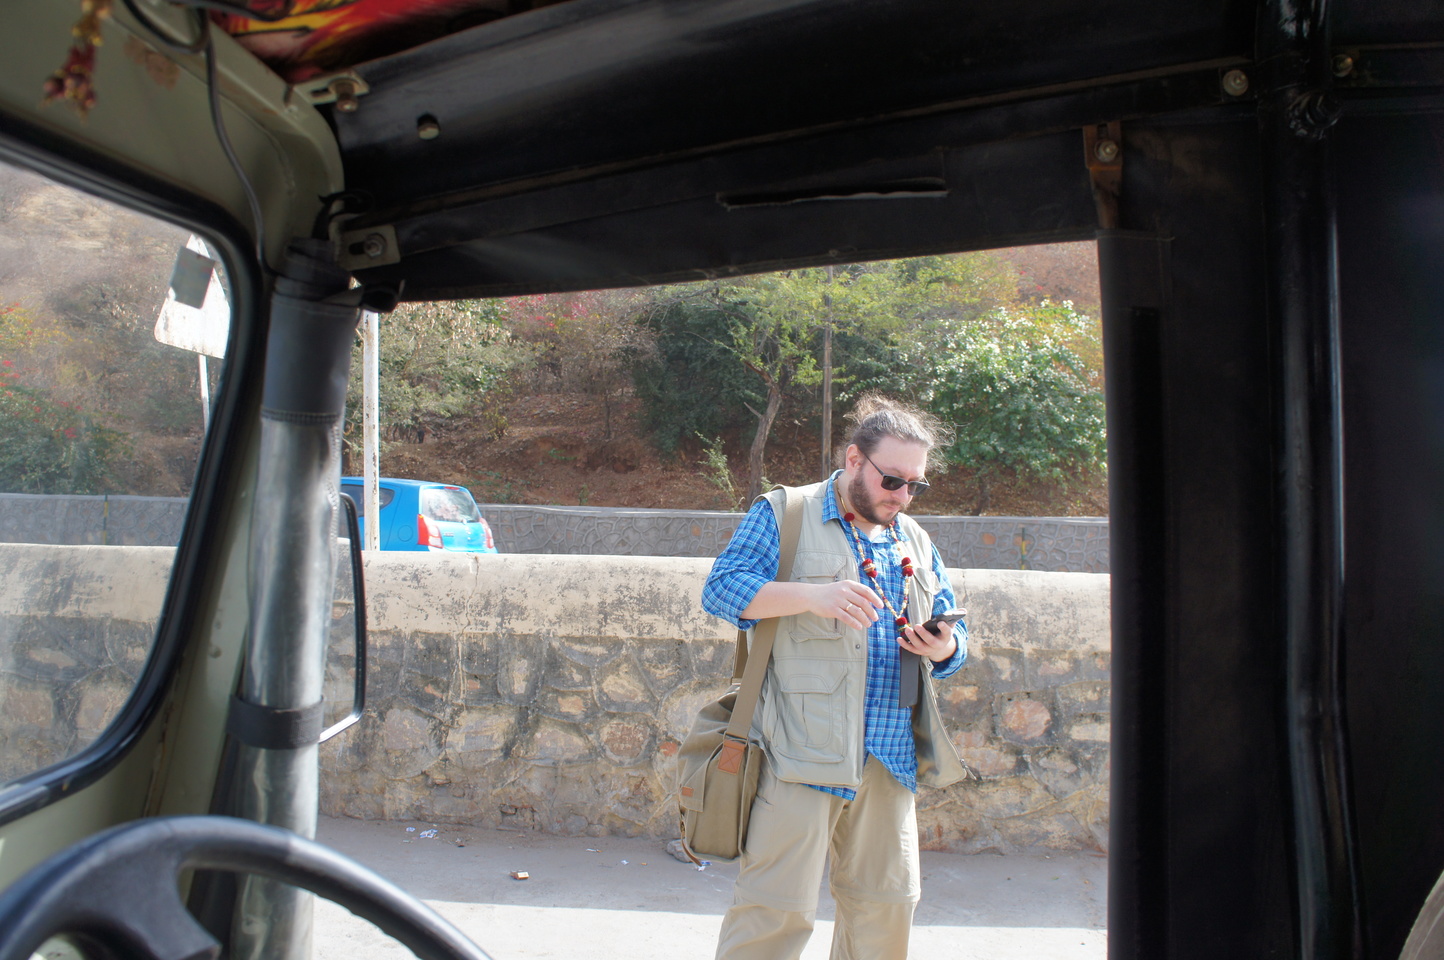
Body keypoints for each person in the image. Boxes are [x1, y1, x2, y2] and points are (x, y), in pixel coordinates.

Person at [701, 394, 970, 960]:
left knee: (885, 915)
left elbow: (954, 636)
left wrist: (944, 645)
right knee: (773, 917)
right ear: (853, 459)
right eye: (892, 480)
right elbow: (721, 589)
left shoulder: (913, 539)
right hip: (798, 753)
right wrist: (809, 596)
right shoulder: (786, 513)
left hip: (890, 759)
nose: (902, 496)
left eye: (916, 485)